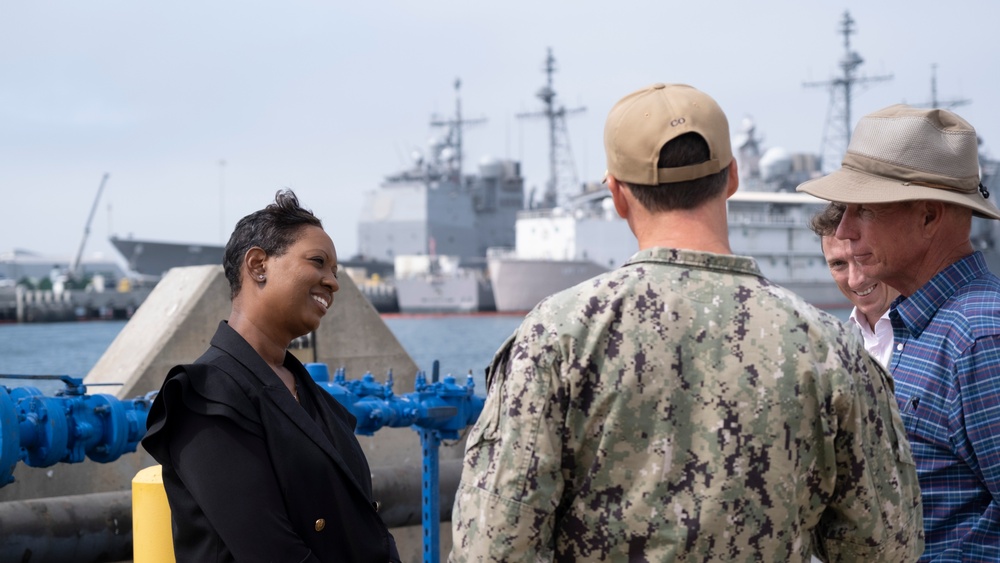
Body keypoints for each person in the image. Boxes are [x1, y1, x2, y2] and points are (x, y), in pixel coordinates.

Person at [450, 83, 922, 562]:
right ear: (732, 177)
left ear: (615, 193)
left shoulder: (556, 338)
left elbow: (493, 546)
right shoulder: (831, 347)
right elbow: (886, 548)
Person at [142, 189, 401, 562]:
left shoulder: (311, 395)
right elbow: (271, 551)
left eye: (335, 271)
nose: (333, 282)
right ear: (258, 264)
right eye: (318, 262)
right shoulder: (204, 396)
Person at [798, 104, 1000, 562]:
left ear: (929, 217)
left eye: (863, 209)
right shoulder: (925, 328)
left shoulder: (980, 338)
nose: (845, 230)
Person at [810, 203, 900, 367]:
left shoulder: (941, 338)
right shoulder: (833, 348)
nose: (855, 280)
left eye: (864, 257)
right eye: (838, 264)